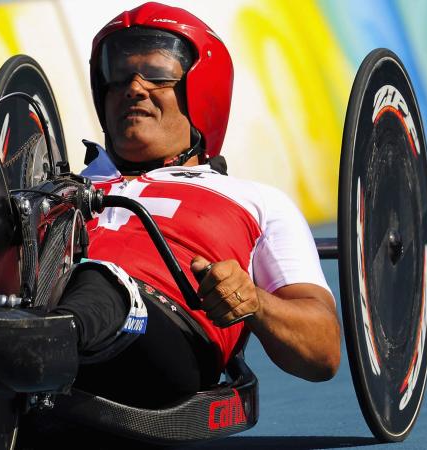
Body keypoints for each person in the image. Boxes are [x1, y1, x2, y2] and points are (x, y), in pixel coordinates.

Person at [48, 1, 341, 409]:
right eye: (119, 74)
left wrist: (255, 302)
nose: (134, 87)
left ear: (201, 91)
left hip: (165, 339)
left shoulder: (257, 202)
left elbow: (323, 350)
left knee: (100, 281)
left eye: (157, 73)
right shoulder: (57, 187)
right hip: (43, 301)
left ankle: (39, 346)